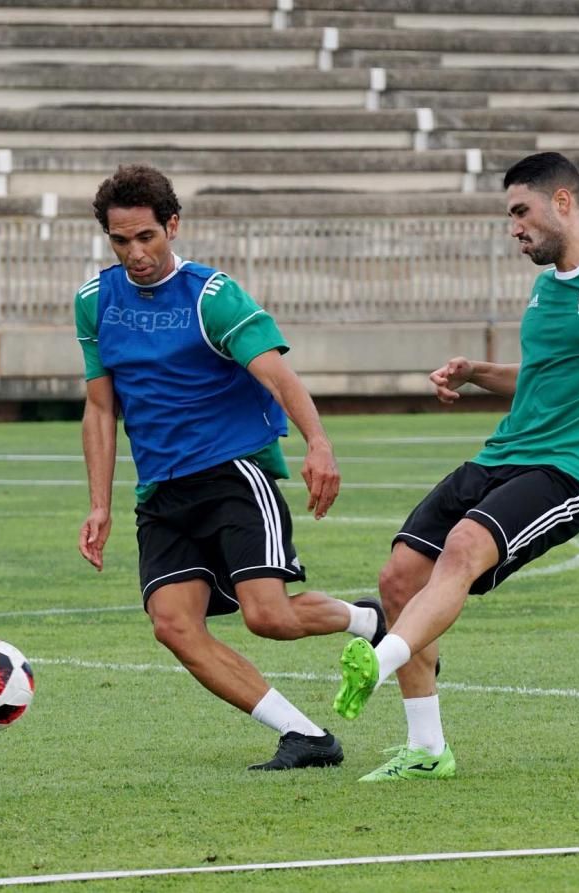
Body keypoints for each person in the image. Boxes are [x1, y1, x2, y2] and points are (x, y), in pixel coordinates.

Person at [332, 151, 579, 781]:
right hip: (501, 455)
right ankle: (427, 751)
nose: (514, 227)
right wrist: (478, 373)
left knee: (464, 546)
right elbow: (538, 378)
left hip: (566, 472)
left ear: (562, 202)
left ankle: (382, 657)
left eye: (520, 212)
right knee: (398, 578)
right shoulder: (544, 289)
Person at [75, 163, 386, 771]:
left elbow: (275, 373)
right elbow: (99, 408)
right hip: (162, 491)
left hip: (232, 475)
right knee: (173, 624)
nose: (135, 253)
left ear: (173, 226)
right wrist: (99, 503)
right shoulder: (95, 302)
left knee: (267, 617)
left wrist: (317, 443)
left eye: (147, 237)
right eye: (120, 240)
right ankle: (306, 737)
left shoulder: (212, 298)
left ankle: (367, 618)